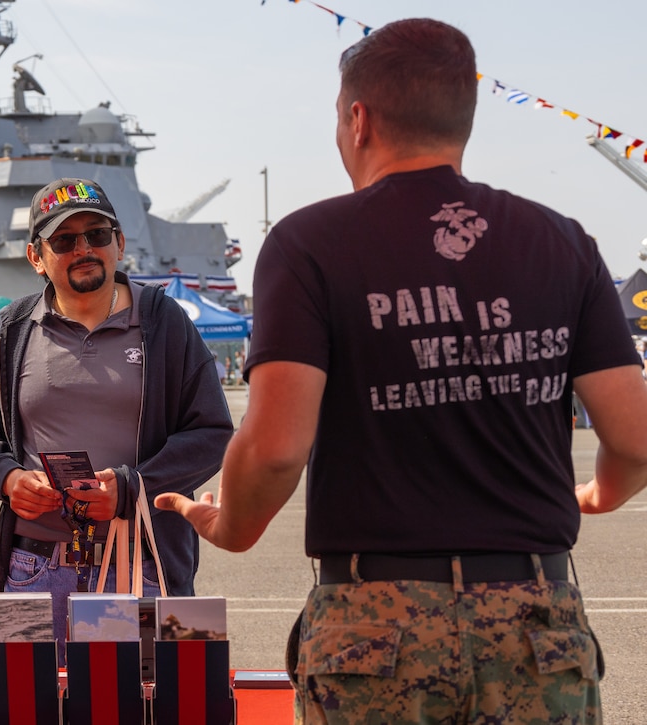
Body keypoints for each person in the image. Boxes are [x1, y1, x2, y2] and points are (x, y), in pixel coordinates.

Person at [156, 19, 647, 723]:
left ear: (359, 120)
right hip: (536, 624)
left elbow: (276, 447)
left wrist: (230, 525)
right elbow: (635, 438)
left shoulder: (309, 244)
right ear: (463, 119)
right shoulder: (562, 242)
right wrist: (599, 493)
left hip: (376, 628)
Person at [0, 178, 233, 664]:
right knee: (26, 696)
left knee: (153, 695)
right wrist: (8, 478)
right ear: (36, 257)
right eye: (64, 240)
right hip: (34, 568)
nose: (83, 248)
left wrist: (131, 488)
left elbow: (212, 433)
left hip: (143, 564)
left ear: (119, 243)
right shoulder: (13, 329)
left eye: (97, 234)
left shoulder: (164, 322)